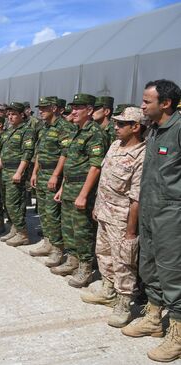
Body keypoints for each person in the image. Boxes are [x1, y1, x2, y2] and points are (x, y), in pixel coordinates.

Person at [121, 79, 181, 363]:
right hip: (149, 210)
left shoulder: (179, 129)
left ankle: (179, 333)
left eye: (147, 101)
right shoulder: (155, 131)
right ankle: (155, 319)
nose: (142, 105)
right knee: (149, 265)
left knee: (173, 272)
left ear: (165, 103)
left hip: (172, 214)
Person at [81, 107, 146, 328]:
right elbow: (105, 180)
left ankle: (124, 302)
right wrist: (98, 207)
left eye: (121, 124)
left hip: (122, 218)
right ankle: (108, 291)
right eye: (116, 123)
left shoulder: (141, 155)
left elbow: (136, 198)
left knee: (124, 262)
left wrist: (130, 230)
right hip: (105, 212)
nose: (115, 127)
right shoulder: (115, 146)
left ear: (135, 127)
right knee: (104, 253)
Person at [51, 93, 106, 288]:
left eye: (78, 108)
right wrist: (63, 187)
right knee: (68, 227)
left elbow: (96, 166)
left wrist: (83, 194)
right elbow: (71, 163)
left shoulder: (95, 133)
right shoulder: (77, 131)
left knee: (82, 230)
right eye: (73, 107)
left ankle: (85, 267)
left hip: (83, 189)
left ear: (89, 110)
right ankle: (72, 260)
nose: (73, 111)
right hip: (70, 187)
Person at [29, 96, 77, 267]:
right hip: (42, 173)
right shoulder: (44, 127)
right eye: (40, 108)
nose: (40, 111)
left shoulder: (65, 127)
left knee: (53, 214)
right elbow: (38, 153)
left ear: (55, 108)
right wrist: (34, 172)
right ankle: (48, 243)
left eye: (45, 108)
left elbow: (66, 154)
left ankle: (58, 249)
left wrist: (56, 175)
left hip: (53, 175)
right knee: (43, 212)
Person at [0, 102, 35, 247]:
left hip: (15, 171)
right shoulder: (8, 131)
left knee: (14, 204)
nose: (10, 117)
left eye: (14, 114)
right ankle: (15, 229)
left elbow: (27, 153)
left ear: (21, 115)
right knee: (7, 203)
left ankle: (23, 234)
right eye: (9, 115)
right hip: (5, 171)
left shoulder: (27, 131)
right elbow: (3, 152)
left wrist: (19, 172)